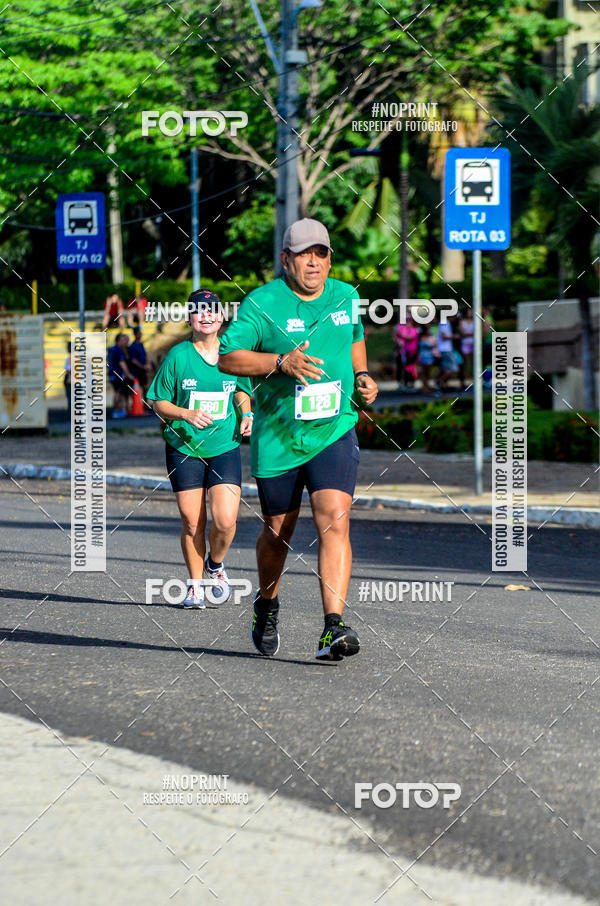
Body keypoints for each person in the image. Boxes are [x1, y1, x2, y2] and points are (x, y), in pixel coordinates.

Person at [218, 217, 379, 661]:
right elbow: (228, 357)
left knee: (335, 518)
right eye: (304, 254)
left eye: (321, 253)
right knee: (278, 531)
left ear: (330, 259)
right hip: (280, 436)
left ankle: (333, 626)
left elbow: (355, 338)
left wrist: (363, 375)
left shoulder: (347, 296)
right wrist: (279, 362)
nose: (314, 261)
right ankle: (267, 604)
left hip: (334, 428)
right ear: (285, 259)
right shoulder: (262, 303)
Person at [147, 289, 253, 610]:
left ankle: (215, 565)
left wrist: (246, 413)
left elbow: (241, 391)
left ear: (221, 317)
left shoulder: (232, 353)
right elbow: (157, 400)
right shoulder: (179, 356)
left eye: (212, 310)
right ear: (190, 318)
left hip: (223, 446)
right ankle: (194, 587)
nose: (206, 316)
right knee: (192, 522)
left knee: (225, 520)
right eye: (198, 311)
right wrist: (186, 414)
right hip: (184, 446)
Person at [108, 332, 134, 417]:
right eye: (123, 340)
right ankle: (116, 411)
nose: (125, 342)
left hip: (112, 374)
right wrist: (128, 374)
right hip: (117, 375)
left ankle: (120, 410)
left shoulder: (111, 349)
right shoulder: (119, 350)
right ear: (119, 340)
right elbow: (122, 363)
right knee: (119, 393)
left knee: (119, 392)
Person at [393, 315, 419, 389]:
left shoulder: (414, 329)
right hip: (402, 350)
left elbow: (410, 338)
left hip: (411, 351)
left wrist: (400, 334)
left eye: (409, 321)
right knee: (400, 366)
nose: (408, 323)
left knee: (410, 367)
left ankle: (410, 382)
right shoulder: (401, 327)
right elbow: (395, 336)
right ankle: (401, 382)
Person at [129, 327, 153, 405]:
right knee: (137, 389)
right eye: (139, 333)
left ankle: (146, 404)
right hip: (136, 371)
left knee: (146, 387)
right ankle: (137, 405)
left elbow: (146, 355)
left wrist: (148, 364)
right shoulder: (132, 346)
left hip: (143, 371)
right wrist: (143, 366)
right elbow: (133, 360)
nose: (141, 335)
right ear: (135, 334)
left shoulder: (141, 344)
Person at [459, 307, 475, 389]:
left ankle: (473, 382)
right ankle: (463, 382)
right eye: (469, 312)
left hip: (473, 344)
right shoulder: (462, 322)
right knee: (464, 364)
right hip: (465, 344)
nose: (471, 313)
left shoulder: (474, 321)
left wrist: (467, 334)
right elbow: (462, 333)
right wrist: (472, 334)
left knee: (473, 364)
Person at [64, 341, 72, 416]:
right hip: (69, 381)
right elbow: (67, 371)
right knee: (70, 398)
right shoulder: (68, 359)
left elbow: (68, 370)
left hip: (72, 382)